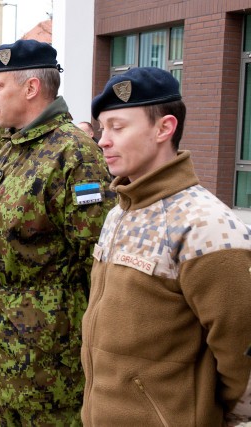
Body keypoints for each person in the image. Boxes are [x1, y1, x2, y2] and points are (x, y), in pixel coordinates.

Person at [82, 67, 251, 426]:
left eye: (118, 126)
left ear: (164, 128)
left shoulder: (207, 225)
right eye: (101, 128)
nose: (102, 140)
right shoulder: (119, 213)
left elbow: (242, 353)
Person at [0, 39, 116, 425]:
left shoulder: (74, 154)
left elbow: (97, 262)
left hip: (47, 367)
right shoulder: (13, 148)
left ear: (31, 88)